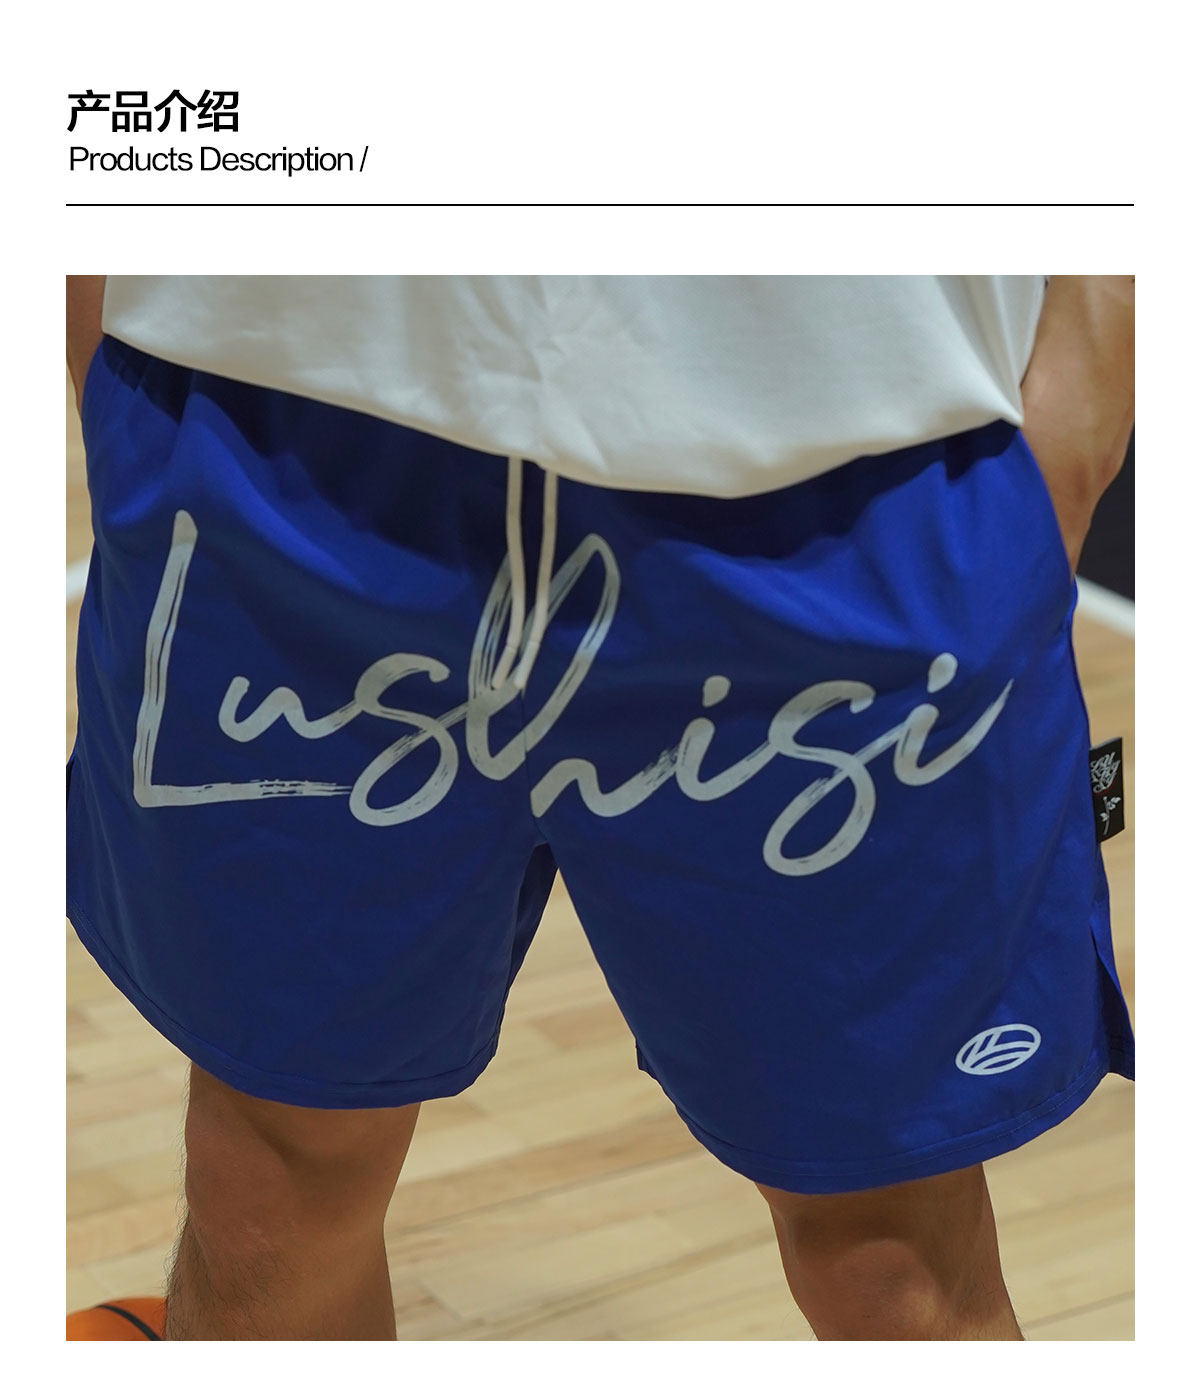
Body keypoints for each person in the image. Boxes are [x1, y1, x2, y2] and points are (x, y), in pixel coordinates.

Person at [64, 274, 1135, 1342]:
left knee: (894, 1258)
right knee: (268, 1189)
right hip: (285, 439)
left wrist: (1075, 419)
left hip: (850, 472)